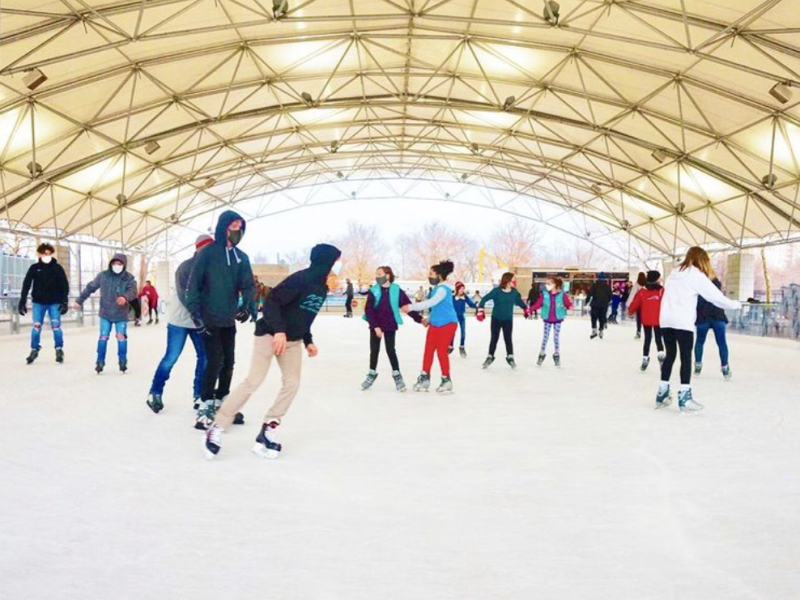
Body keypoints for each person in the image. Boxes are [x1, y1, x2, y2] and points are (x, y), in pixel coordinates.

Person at [204, 244, 342, 460]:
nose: (336, 267)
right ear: (326, 262)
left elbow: (304, 316)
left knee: (292, 383)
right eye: (335, 262)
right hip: (269, 334)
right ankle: (217, 426)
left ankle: (269, 427)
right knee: (254, 381)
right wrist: (279, 331)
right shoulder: (300, 279)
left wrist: (308, 341)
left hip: (292, 341)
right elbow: (271, 302)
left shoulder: (321, 289)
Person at [185, 210, 255, 430]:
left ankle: (222, 398)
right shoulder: (208, 253)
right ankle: (206, 402)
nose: (237, 231)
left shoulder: (241, 257)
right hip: (209, 318)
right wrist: (196, 316)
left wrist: (246, 305)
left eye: (240, 228)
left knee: (229, 362)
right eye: (233, 227)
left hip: (228, 319)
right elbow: (193, 286)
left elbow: (248, 285)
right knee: (214, 361)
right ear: (223, 227)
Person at [656, 247, 739, 413]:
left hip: (666, 320)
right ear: (702, 260)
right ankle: (685, 397)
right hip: (682, 321)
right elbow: (715, 297)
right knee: (686, 357)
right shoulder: (696, 275)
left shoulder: (673, 274)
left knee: (670, 355)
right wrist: (736, 305)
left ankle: (662, 393)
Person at [146, 235, 214, 414]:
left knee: (205, 357)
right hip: (180, 321)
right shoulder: (186, 267)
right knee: (171, 357)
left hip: (199, 321)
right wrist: (199, 317)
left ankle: (199, 395)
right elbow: (186, 296)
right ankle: (155, 392)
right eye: (207, 248)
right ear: (199, 249)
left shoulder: (212, 269)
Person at [361, 266, 422, 392]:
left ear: (387, 275)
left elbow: (407, 307)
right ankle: (371, 374)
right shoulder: (374, 290)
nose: (377, 277)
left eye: (379, 274)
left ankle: (397, 376)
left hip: (390, 323)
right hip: (376, 323)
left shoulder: (396, 290)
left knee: (390, 350)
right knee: (374, 350)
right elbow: (369, 310)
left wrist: (420, 319)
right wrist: (375, 326)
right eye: (376, 274)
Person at [401, 260, 458, 393]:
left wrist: (411, 307)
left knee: (441, 352)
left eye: (431, 274)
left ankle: (446, 380)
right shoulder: (437, 289)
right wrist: (429, 319)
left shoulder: (443, 289)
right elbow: (438, 308)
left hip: (448, 324)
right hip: (435, 323)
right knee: (428, 350)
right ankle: (424, 377)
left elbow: (431, 303)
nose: (429, 276)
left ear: (439, 275)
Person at [74, 253, 137, 373]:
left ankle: (122, 361)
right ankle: (100, 361)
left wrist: (125, 297)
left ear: (124, 265)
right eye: (115, 263)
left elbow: (133, 291)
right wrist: (79, 300)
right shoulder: (103, 276)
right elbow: (90, 287)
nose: (117, 265)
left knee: (121, 336)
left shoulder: (128, 278)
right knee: (103, 336)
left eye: (120, 263)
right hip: (105, 313)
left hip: (121, 314)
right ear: (111, 263)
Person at [18, 242, 70, 365]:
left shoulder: (57, 268)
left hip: (54, 302)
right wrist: (22, 300)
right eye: (44, 254)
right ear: (39, 254)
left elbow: (64, 285)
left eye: (48, 253)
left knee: (56, 326)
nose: (46, 256)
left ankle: (59, 348)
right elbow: (26, 284)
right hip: (38, 302)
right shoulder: (34, 268)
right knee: (36, 326)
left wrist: (64, 301)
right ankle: (34, 349)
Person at [477, 272, 528, 369]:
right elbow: (484, 299)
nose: (515, 281)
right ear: (508, 280)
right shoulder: (496, 291)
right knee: (494, 338)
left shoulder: (514, 292)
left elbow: (519, 301)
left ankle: (510, 357)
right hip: (496, 319)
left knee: (508, 339)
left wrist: (525, 309)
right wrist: (480, 310)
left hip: (508, 320)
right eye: (513, 279)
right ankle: (490, 356)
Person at [695, 277, 733, 380]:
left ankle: (698, 365)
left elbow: (696, 306)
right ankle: (725, 368)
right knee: (722, 343)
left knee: (700, 342)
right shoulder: (719, 294)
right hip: (718, 318)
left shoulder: (701, 294)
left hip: (703, 319)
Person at [530, 276, 573, 367]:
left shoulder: (562, 295)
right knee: (545, 337)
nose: (547, 285)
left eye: (549, 283)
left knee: (556, 338)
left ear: (555, 284)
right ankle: (542, 354)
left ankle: (556, 355)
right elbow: (538, 304)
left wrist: (570, 306)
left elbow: (567, 303)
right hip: (547, 319)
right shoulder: (545, 294)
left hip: (557, 319)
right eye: (546, 283)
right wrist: (529, 309)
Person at [627, 270, 664, 372]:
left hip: (646, 319)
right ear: (656, 279)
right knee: (658, 339)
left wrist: (630, 311)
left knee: (647, 339)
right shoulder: (661, 291)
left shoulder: (643, 291)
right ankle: (661, 356)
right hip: (658, 319)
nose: (661, 279)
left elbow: (635, 302)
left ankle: (645, 358)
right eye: (659, 277)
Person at [449, 281, 477, 357]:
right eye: (461, 288)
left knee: (463, 332)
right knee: (452, 332)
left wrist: (476, 305)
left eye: (463, 288)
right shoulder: (452, 297)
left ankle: (462, 346)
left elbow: (471, 304)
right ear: (457, 289)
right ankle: (450, 346)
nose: (462, 290)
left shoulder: (465, 297)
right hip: (453, 317)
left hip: (462, 316)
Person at [586, 274, 612, 339]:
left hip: (595, 304)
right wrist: (606, 301)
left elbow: (590, 294)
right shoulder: (607, 287)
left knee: (594, 317)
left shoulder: (594, 285)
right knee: (602, 317)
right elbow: (610, 296)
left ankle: (594, 329)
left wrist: (587, 301)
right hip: (604, 305)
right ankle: (601, 330)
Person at [631, 272, 647, 339]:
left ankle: (638, 331)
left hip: (639, 304)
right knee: (646, 319)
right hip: (646, 304)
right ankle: (648, 333)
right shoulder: (647, 284)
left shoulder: (636, 284)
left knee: (639, 319)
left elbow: (633, 294)